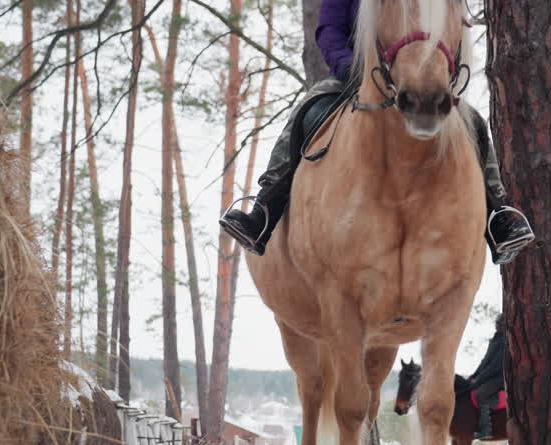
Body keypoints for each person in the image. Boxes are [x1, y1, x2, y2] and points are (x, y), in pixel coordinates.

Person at [219, 0, 535, 265]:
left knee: (471, 122)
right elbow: (329, 31)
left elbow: (450, 28)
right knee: (309, 111)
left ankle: (498, 214)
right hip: (361, 76)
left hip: (420, 77)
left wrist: (439, 69)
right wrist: (352, 69)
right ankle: (264, 210)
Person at [467, 314, 506, 440]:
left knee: (480, 394)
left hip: (499, 377)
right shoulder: (494, 340)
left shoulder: (506, 341)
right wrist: (474, 375)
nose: (497, 326)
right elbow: (484, 362)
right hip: (489, 376)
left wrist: (479, 380)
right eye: (496, 323)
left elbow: (495, 366)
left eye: (499, 324)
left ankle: (486, 430)